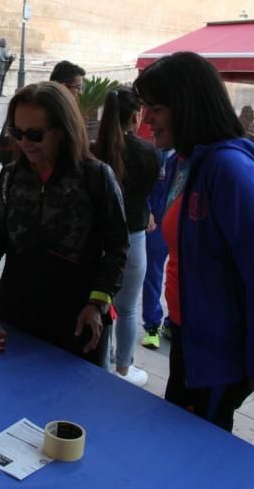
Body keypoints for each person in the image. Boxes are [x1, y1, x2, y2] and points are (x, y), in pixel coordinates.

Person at [133, 51, 254, 432]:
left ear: (187, 106)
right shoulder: (180, 162)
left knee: (198, 452)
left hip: (218, 352)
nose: (146, 119)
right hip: (187, 337)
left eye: (156, 108)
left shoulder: (230, 169)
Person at [0, 81, 128, 368]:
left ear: (63, 130)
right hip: (19, 314)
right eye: (16, 132)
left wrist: (97, 303)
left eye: (34, 134)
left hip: (77, 321)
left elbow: (117, 249)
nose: (23, 143)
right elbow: (0, 237)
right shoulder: (11, 176)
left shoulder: (96, 178)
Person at [93, 87, 160, 386]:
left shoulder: (94, 150)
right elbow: (148, 193)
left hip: (98, 240)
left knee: (102, 305)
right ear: (136, 116)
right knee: (129, 307)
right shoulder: (149, 153)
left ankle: (102, 361)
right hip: (134, 238)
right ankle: (123, 368)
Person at [0, 60, 87, 166]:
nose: (24, 142)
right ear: (64, 86)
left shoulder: (90, 173)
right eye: (78, 87)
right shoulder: (30, 102)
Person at [141, 149, 173, 350]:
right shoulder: (159, 154)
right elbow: (146, 185)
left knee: (180, 277)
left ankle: (173, 323)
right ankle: (152, 326)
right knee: (153, 274)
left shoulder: (196, 154)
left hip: (184, 225)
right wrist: (149, 211)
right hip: (158, 224)